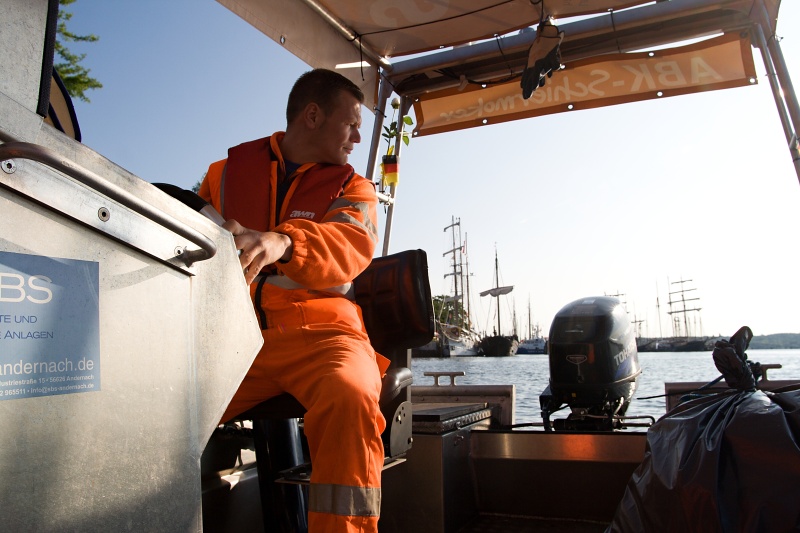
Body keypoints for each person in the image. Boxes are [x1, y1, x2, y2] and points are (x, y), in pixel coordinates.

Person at [198, 68, 387, 533]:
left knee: (351, 396)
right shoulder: (222, 174)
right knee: (153, 406)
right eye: (352, 124)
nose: (358, 138)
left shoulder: (355, 189)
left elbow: (349, 245)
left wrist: (283, 242)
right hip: (234, 338)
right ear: (313, 115)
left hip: (324, 336)